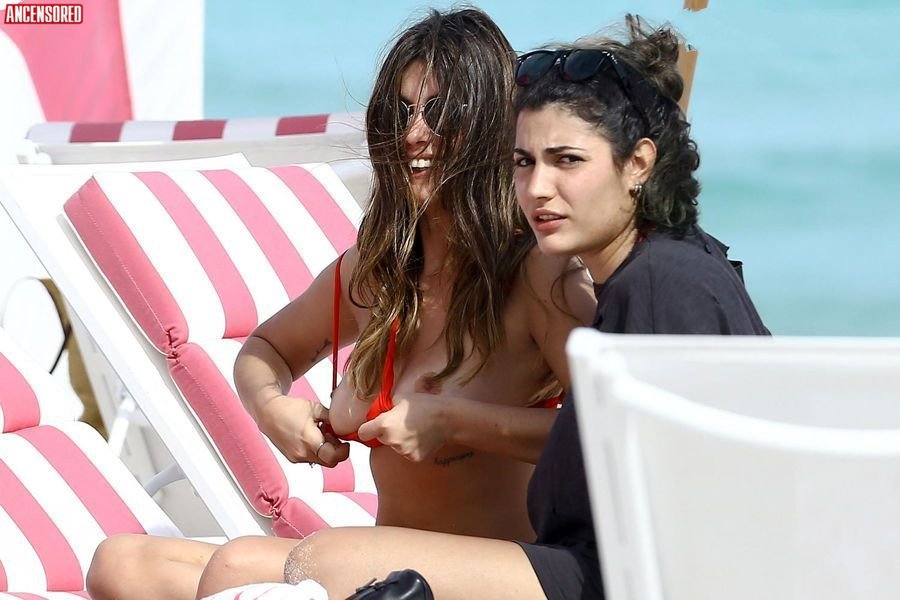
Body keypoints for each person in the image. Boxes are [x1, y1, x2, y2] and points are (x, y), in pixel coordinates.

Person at [85, 8, 593, 600]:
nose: (414, 134)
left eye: (441, 112)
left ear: (489, 125)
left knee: (247, 566)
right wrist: (272, 408)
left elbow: (610, 432)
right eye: (400, 113)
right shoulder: (376, 273)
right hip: (385, 570)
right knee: (121, 564)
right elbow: (266, 350)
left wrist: (457, 422)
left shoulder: (539, 276)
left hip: (513, 572)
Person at [275, 15, 769, 600]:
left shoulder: (658, 284)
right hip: (590, 565)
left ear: (638, 164)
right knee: (241, 564)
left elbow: (696, 481)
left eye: (568, 161)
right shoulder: (651, 276)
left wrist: (457, 421)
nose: (537, 189)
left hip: (614, 576)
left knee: (323, 561)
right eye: (524, 162)